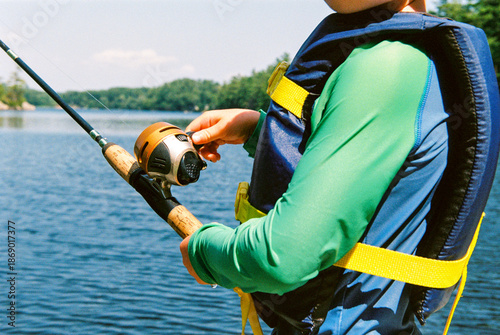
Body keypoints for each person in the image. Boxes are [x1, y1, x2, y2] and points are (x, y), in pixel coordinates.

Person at [178, 0, 500, 334]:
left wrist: (204, 251)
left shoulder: (386, 65)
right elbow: (387, 176)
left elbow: (280, 257)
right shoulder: (416, 58)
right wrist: (257, 131)